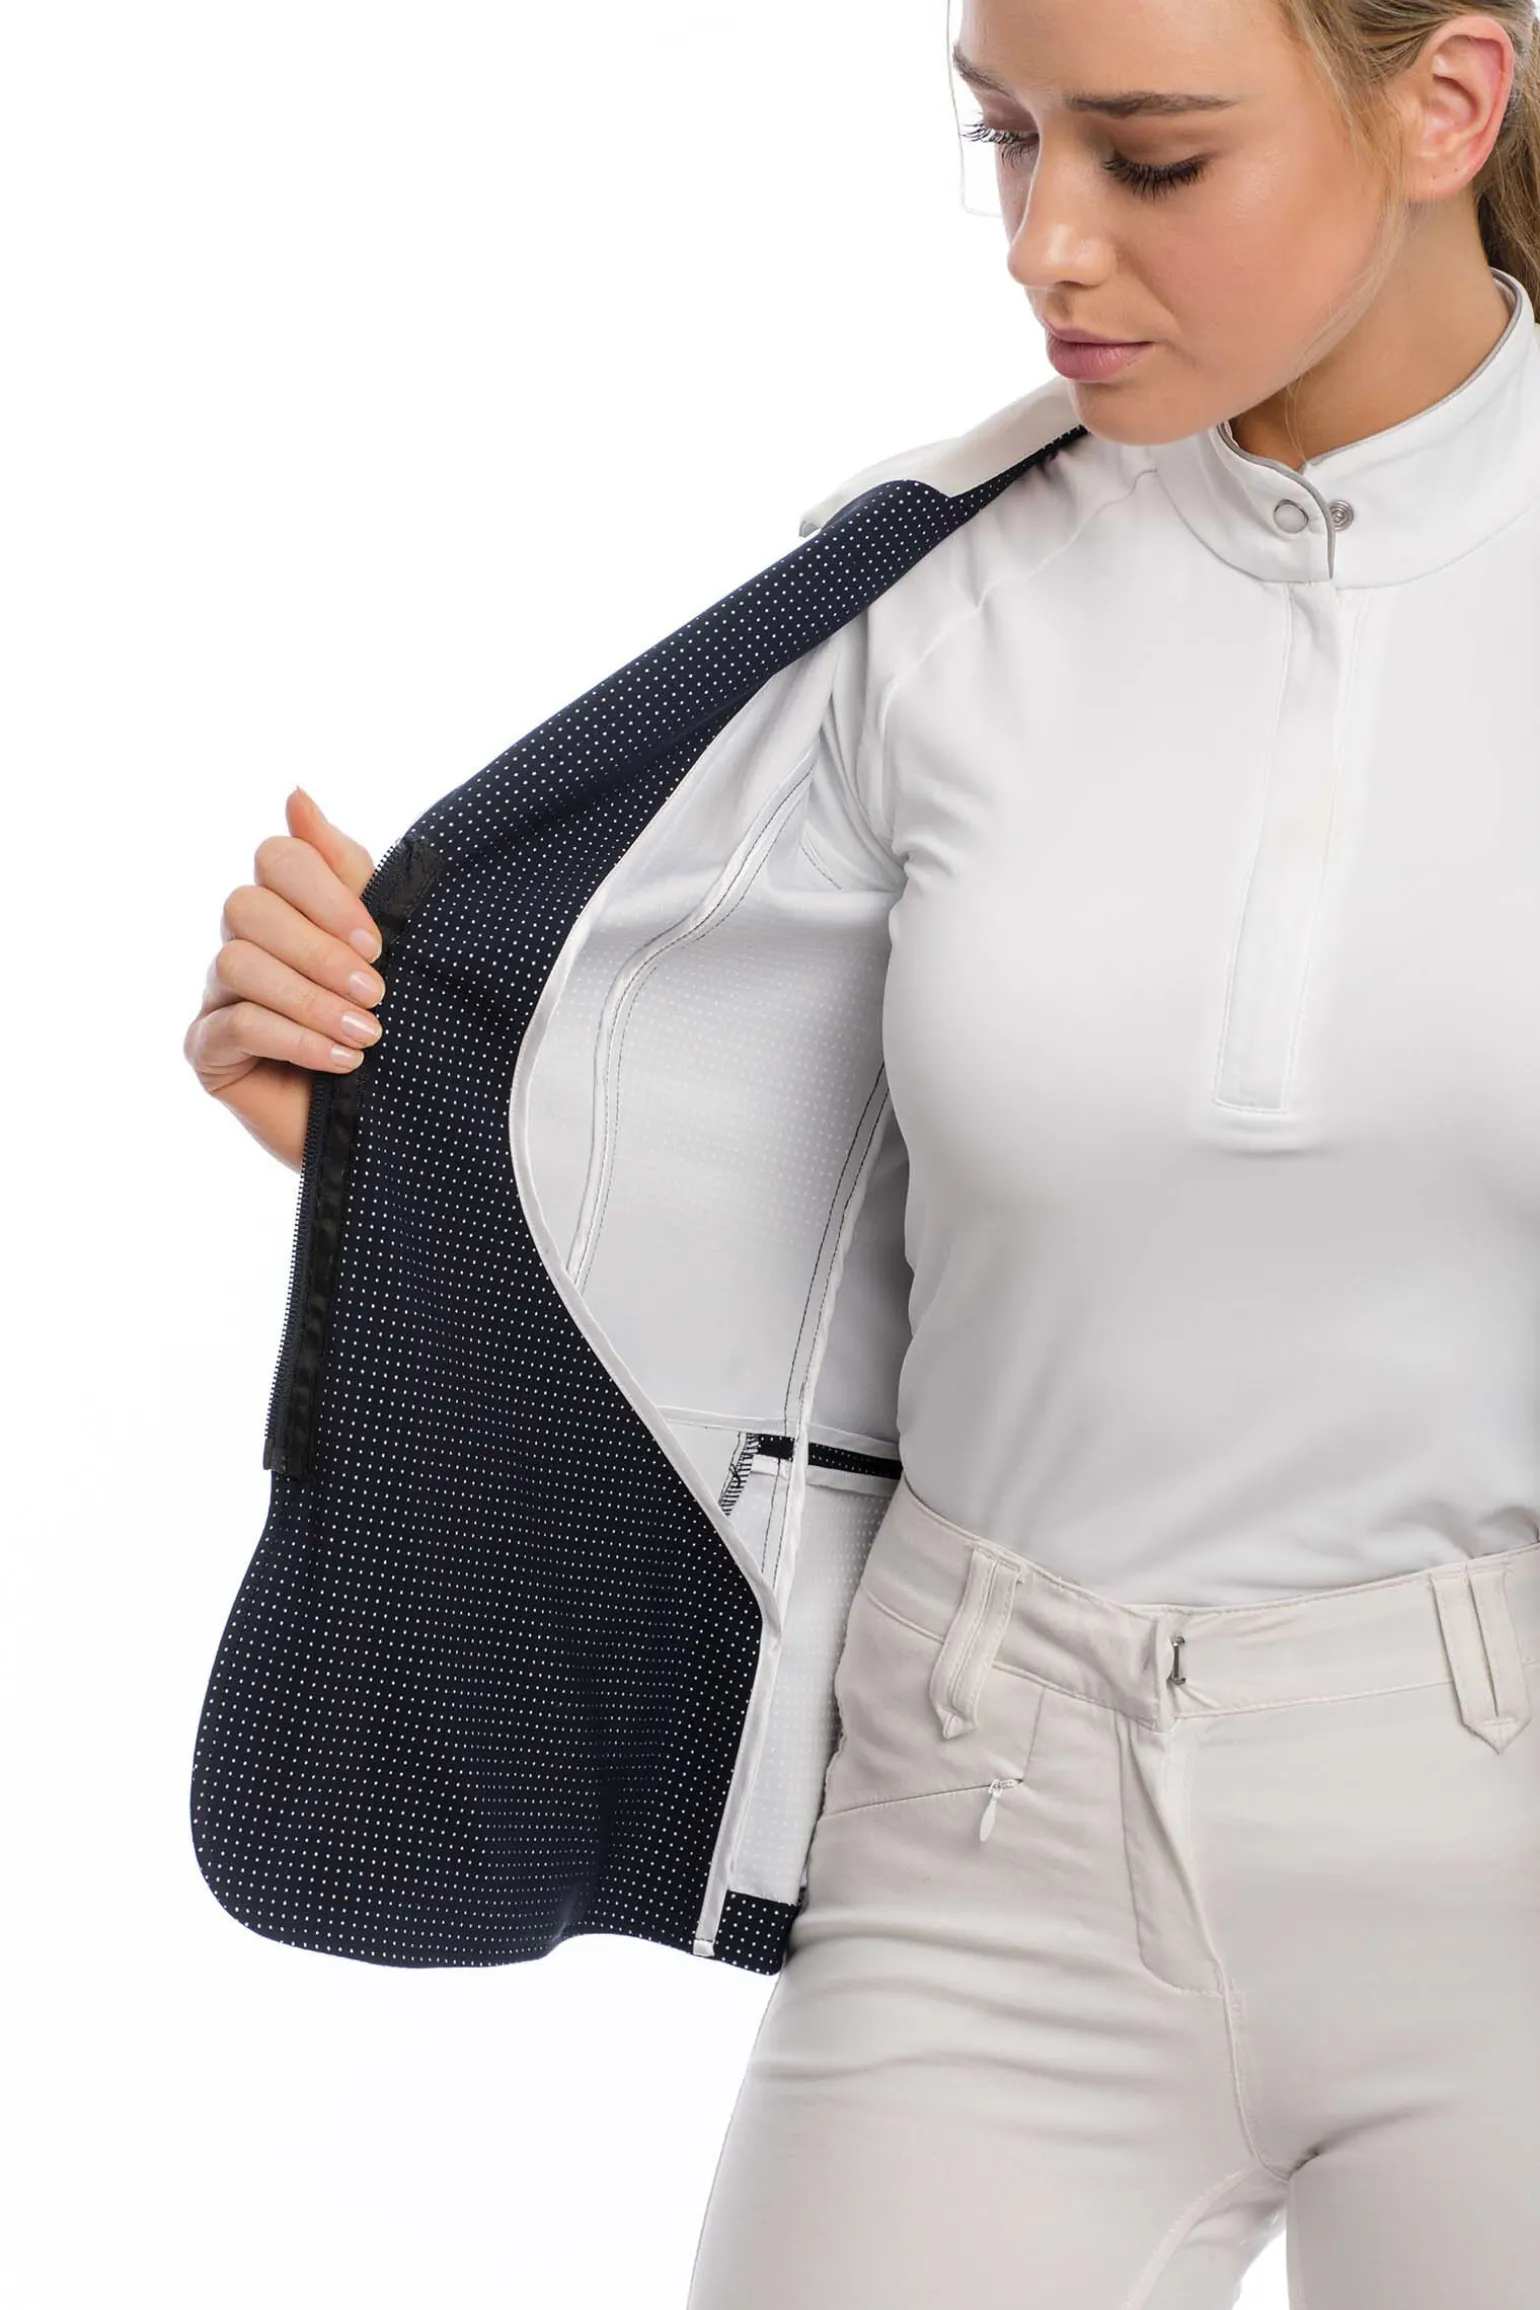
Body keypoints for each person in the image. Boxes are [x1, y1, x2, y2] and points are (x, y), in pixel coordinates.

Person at [185, 0, 1540, 2301]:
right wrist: (387, 1122)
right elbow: (699, 1127)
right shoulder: (910, 599)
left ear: (1443, 105)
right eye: (1002, 139)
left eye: (1147, 157)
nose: (1044, 244)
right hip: (984, 1810)